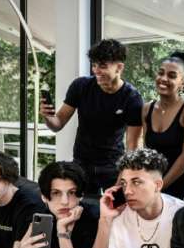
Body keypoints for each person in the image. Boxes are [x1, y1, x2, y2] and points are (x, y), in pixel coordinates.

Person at [40, 39, 144, 196]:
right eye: (94, 65)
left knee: (115, 207)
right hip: (81, 163)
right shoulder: (80, 86)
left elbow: (133, 146)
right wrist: (47, 117)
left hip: (112, 166)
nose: (96, 71)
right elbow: (57, 124)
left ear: (119, 67)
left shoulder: (132, 98)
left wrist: (123, 179)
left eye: (102, 66)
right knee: (81, 207)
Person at [142, 51, 184, 199]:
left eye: (172, 76)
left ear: (182, 82)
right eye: (161, 73)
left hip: (182, 189)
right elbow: (147, 151)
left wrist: (160, 186)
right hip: (154, 186)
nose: (163, 79)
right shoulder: (147, 108)